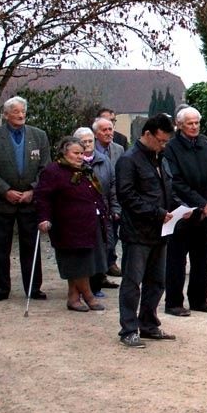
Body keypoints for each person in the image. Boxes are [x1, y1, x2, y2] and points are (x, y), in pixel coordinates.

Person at [115, 114, 190, 348]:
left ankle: (148, 323)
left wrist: (179, 207)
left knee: (157, 281)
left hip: (160, 231)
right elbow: (127, 196)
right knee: (132, 282)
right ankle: (129, 329)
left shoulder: (160, 158)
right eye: (161, 140)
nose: (164, 145)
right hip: (137, 232)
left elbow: (167, 189)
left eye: (166, 141)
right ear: (148, 134)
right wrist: (156, 212)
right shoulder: (129, 160)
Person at [0, 96, 50, 301]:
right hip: (3, 202)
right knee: (1, 247)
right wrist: (6, 191)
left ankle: (33, 287)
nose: (21, 115)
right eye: (16, 111)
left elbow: (46, 169)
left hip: (30, 201)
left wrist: (33, 191)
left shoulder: (39, 135)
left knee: (31, 245)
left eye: (23, 111)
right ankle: (2, 288)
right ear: (6, 114)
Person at [34, 137, 109, 312]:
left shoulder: (85, 170)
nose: (80, 157)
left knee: (86, 263)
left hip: (89, 224)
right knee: (76, 264)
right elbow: (42, 197)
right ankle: (89, 297)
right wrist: (43, 218)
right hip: (67, 226)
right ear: (64, 153)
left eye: (82, 153)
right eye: (76, 153)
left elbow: (96, 194)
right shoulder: (53, 171)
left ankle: (73, 297)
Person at [162, 106, 207, 317]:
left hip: (206, 213)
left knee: (202, 258)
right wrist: (200, 203)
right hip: (183, 212)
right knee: (177, 259)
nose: (195, 126)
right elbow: (175, 181)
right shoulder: (171, 149)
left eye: (197, 122)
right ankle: (174, 302)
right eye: (190, 123)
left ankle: (199, 299)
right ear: (179, 125)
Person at [73, 127, 120, 295]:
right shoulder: (73, 162)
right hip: (81, 213)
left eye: (90, 141)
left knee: (104, 246)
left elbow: (113, 185)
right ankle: (82, 286)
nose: (87, 144)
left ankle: (98, 282)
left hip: (103, 210)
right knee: (85, 249)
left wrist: (115, 208)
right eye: (83, 142)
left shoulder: (104, 160)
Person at [91, 117, 125, 277]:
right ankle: (99, 272)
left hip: (115, 197)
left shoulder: (119, 149)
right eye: (104, 130)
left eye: (110, 129)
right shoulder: (89, 150)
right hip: (97, 199)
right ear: (95, 133)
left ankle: (110, 263)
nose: (109, 133)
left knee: (113, 235)